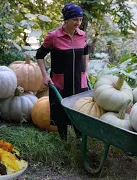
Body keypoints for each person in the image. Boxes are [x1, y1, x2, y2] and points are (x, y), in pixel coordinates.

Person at [36, 3, 89, 139]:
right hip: (60, 80)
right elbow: (40, 55)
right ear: (66, 20)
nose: (78, 23)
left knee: (80, 109)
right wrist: (44, 75)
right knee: (60, 111)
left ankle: (79, 138)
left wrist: (86, 71)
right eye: (75, 19)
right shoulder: (54, 37)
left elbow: (85, 53)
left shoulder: (82, 35)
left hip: (79, 79)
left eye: (80, 19)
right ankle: (63, 140)